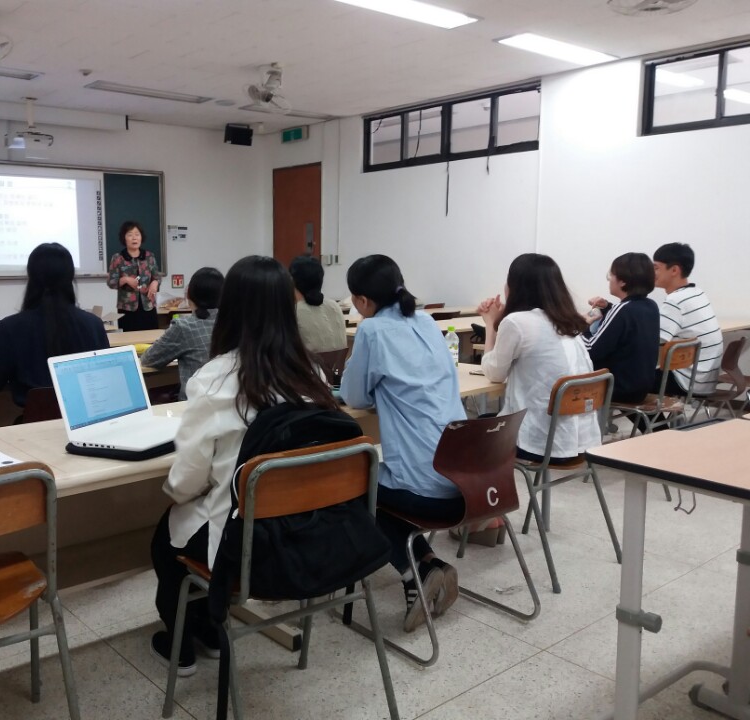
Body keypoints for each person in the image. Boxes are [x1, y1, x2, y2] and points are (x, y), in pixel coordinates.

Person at [149, 255, 337, 675]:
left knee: (165, 539)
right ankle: (211, 631)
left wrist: (183, 494)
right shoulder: (314, 375)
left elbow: (185, 483)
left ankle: (184, 641)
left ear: (228, 309)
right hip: (305, 534)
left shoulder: (215, 379)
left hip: (244, 544)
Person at [339, 254, 466, 632]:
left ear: (362, 302)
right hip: (467, 482)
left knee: (352, 488)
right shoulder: (427, 322)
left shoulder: (372, 331)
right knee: (382, 479)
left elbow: (355, 397)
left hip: (427, 490)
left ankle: (415, 570)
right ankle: (428, 565)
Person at [478, 253, 599, 462]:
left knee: (473, 428)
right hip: (581, 442)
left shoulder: (517, 322)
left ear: (514, 286)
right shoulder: (567, 320)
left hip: (540, 442)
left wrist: (490, 324)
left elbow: (494, 373)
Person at [0, 243, 109, 408]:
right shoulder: (93, 324)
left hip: (34, 426)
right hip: (86, 424)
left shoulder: (11, 327)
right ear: (70, 277)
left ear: (31, 277)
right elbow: (104, 380)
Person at [583, 253, 660, 403]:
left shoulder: (622, 310)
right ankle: (656, 427)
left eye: (611, 275)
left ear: (623, 281)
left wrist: (583, 326)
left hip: (618, 388)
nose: (609, 280)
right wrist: (608, 308)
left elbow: (591, 350)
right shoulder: (650, 305)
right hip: (641, 386)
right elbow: (626, 320)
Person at [141, 267, 224, 400]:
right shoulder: (234, 323)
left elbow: (148, 359)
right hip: (231, 406)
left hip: (195, 406)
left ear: (189, 294)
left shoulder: (185, 327)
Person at [652, 242, 723, 396]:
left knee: (625, 383)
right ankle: (661, 421)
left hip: (686, 380)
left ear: (674, 270)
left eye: (656, 267)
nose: (652, 272)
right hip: (705, 379)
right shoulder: (697, 293)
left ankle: (650, 421)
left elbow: (656, 340)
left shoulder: (675, 301)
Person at [107, 220, 162, 331]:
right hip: (127, 309)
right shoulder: (118, 258)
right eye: (130, 235)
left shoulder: (149, 256)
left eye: (137, 234)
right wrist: (125, 279)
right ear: (124, 238)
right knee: (129, 340)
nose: (134, 238)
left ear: (141, 237)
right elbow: (111, 283)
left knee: (151, 340)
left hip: (148, 306)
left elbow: (157, 276)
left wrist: (155, 282)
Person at [289, 256, 347, 354]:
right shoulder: (334, 306)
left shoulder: (293, 312)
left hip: (308, 368)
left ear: (292, 280)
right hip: (335, 369)